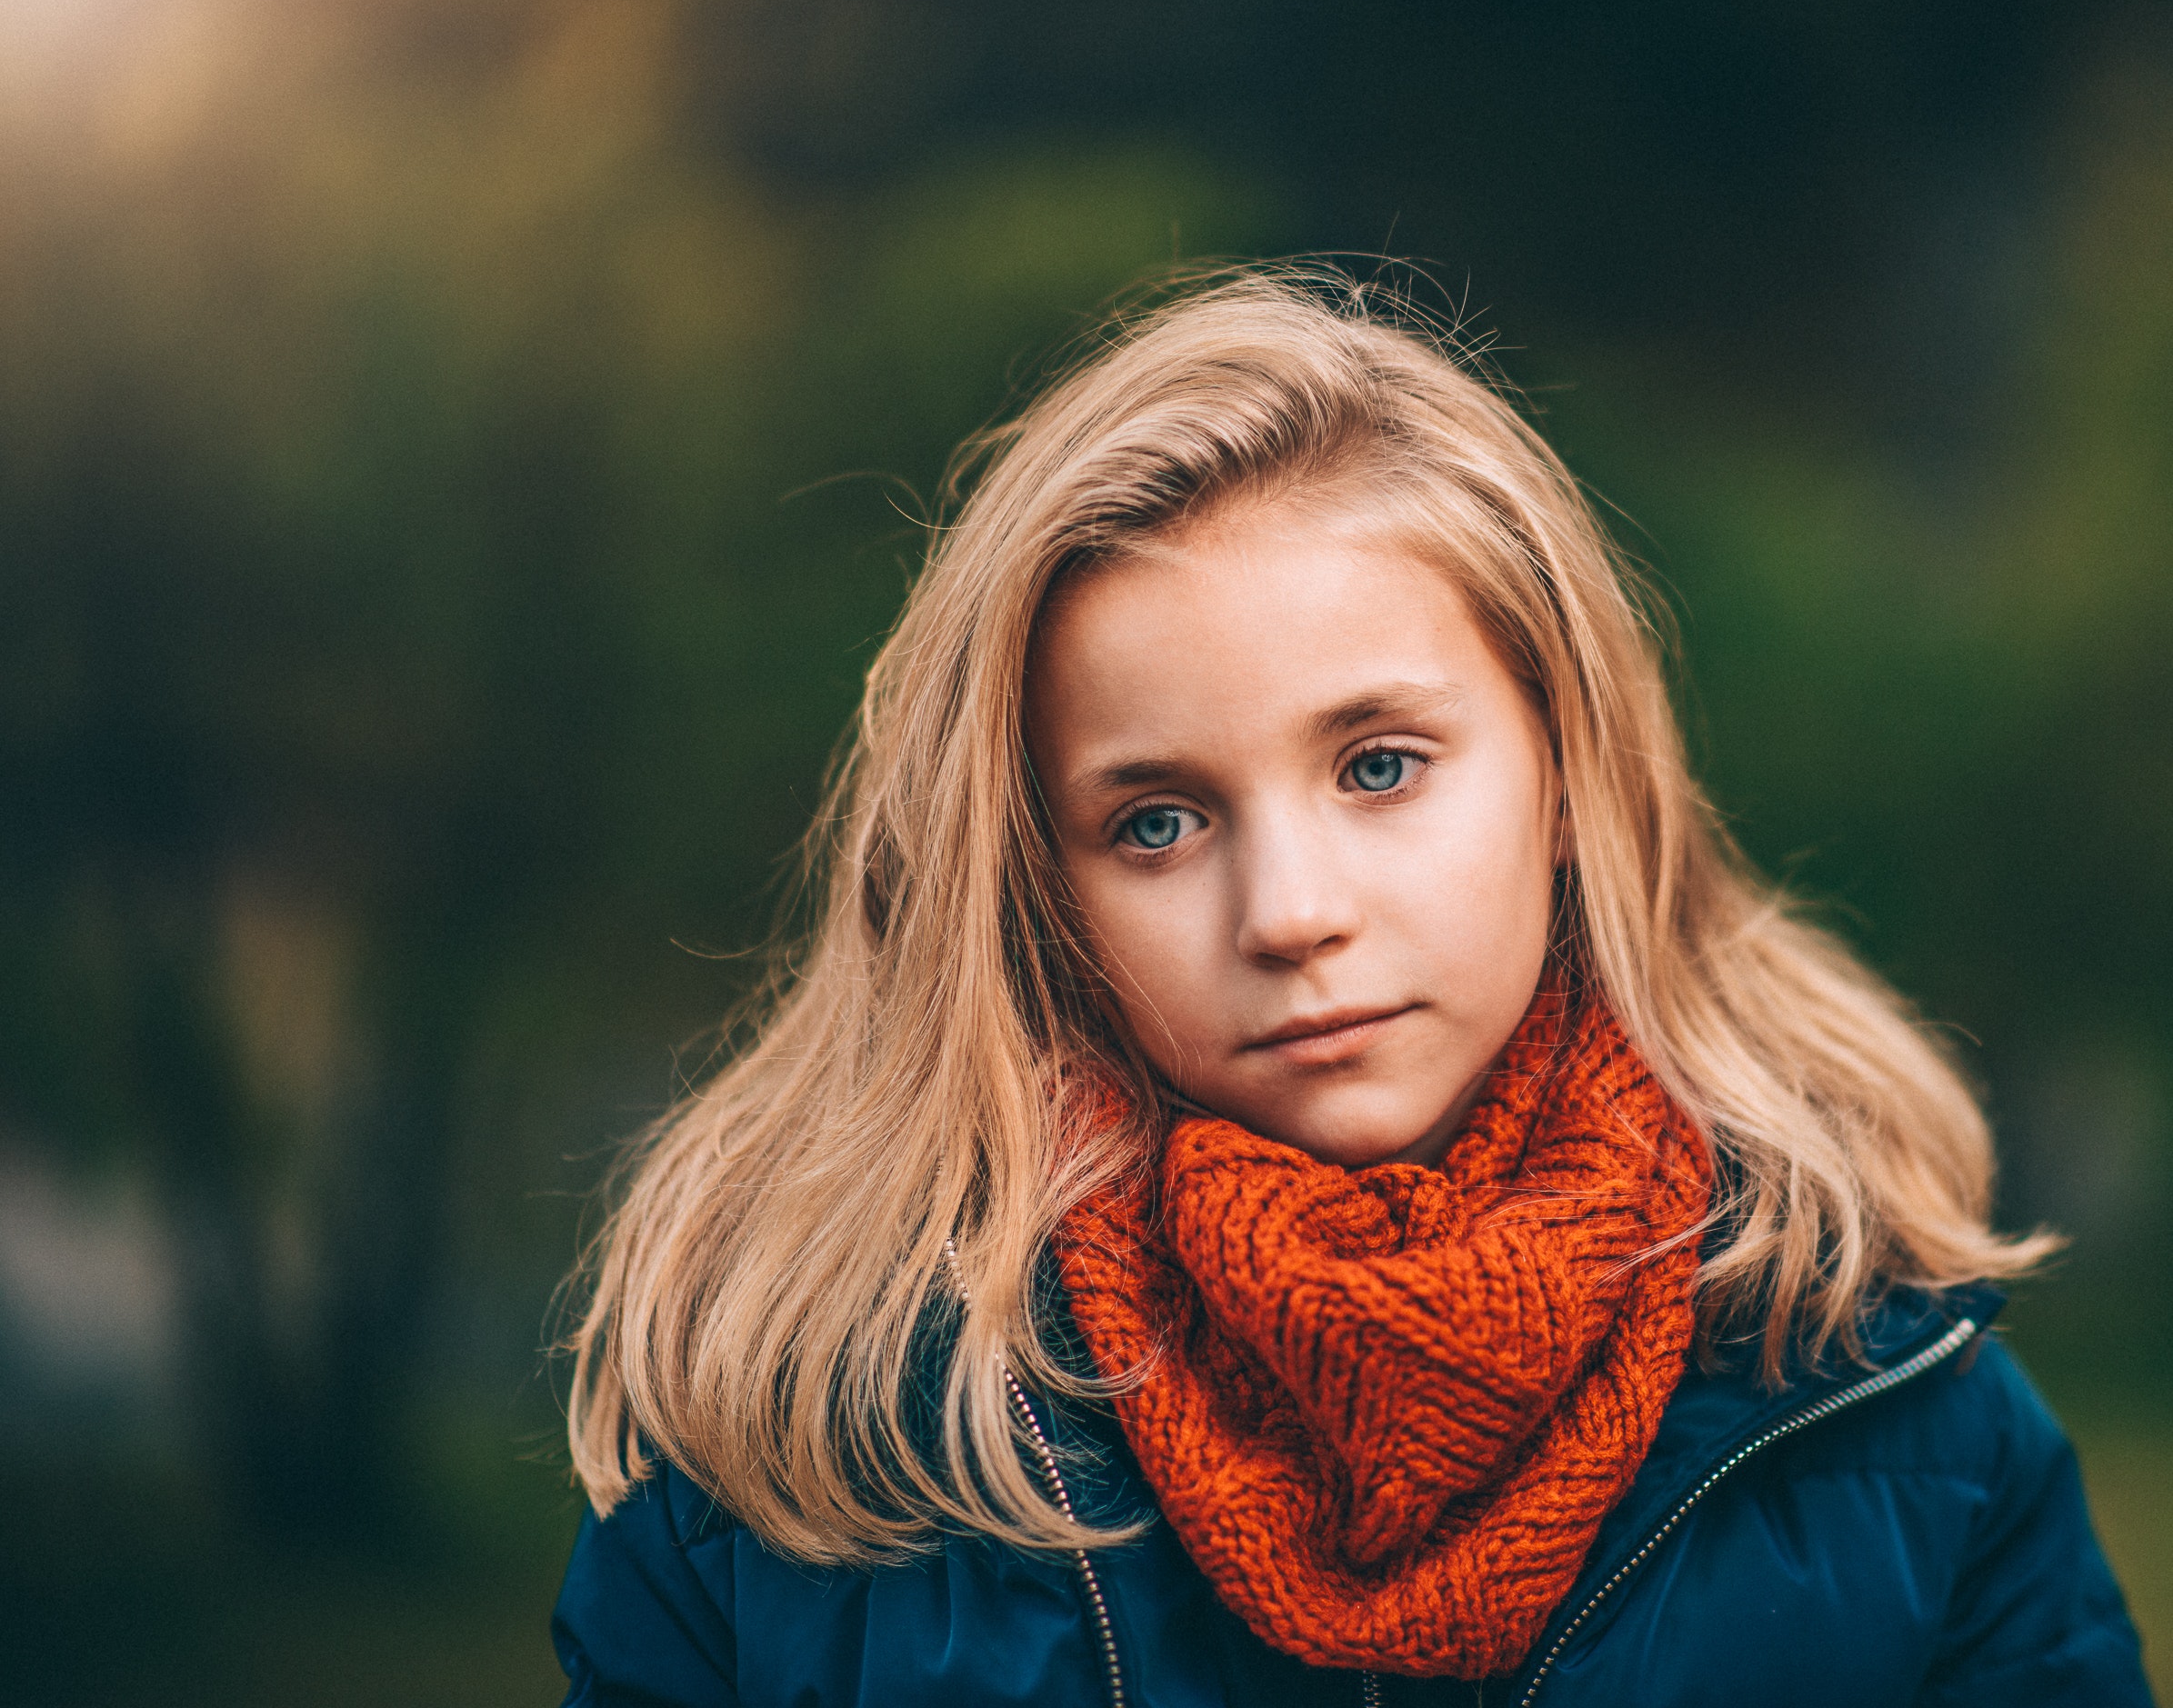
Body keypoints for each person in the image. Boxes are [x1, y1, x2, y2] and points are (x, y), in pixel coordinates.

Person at [550, 270, 2152, 1706]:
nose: (1291, 913)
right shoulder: (810, 1466)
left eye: (1378, 767)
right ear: (1037, 886)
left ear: (1568, 772)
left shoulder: (1900, 1413)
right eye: (1156, 823)